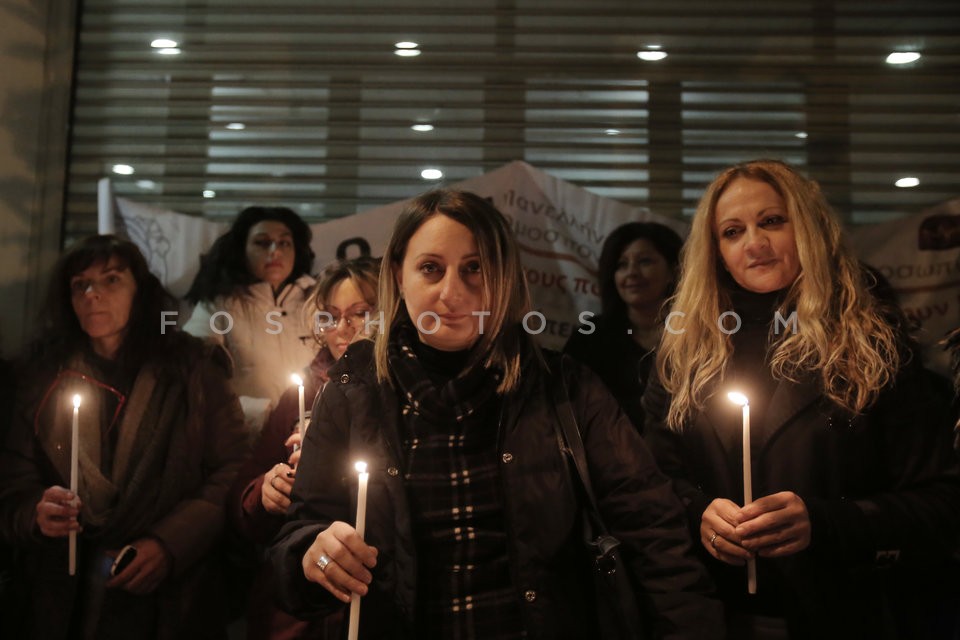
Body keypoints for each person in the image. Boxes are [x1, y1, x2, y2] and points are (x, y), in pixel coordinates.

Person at [267, 189, 722, 639]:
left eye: (475, 268)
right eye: (430, 268)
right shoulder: (354, 389)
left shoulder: (564, 386)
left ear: (504, 276)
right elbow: (300, 534)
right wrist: (312, 554)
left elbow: (653, 533)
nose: (452, 293)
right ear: (399, 276)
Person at [642, 159, 960, 639]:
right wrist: (698, 512)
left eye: (772, 221)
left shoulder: (874, 345)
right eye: (732, 231)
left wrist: (827, 523)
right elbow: (651, 482)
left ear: (809, 227)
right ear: (715, 251)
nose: (754, 243)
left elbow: (942, 501)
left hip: (850, 615)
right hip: (719, 616)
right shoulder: (683, 353)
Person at [0, 235, 249, 639]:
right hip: (61, 598)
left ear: (141, 291)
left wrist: (169, 545)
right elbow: (13, 481)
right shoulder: (41, 376)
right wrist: (35, 512)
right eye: (81, 285)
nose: (93, 294)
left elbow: (232, 470)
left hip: (168, 601)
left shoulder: (193, 370)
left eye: (111, 280)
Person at [227, 255, 380, 640]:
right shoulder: (303, 395)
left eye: (360, 313)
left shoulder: (403, 394)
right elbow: (241, 504)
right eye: (330, 316)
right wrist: (266, 491)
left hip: (378, 596)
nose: (342, 329)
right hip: (296, 617)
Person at [183, 206, 318, 409]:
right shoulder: (219, 307)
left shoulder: (318, 303)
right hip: (245, 434)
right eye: (262, 243)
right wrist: (253, 414)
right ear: (242, 250)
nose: (276, 251)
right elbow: (192, 369)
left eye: (284, 243)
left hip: (312, 432)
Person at [564, 222, 682, 432]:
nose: (632, 273)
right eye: (621, 265)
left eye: (645, 261)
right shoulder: (590, 339)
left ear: (673, 271)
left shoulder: (696, 336)